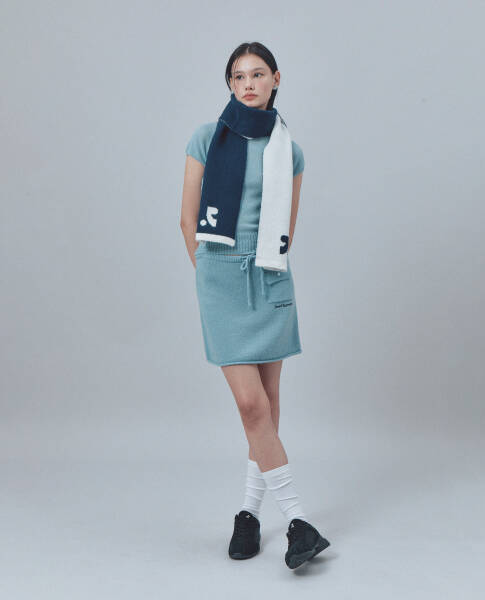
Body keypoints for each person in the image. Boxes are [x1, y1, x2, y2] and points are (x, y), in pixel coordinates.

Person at [180, 41, 330, 570]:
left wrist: (264, 267)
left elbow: (287, 229)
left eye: (258, 74)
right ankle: (298, 519)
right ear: (230, 83)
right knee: (251, 406)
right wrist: (211, 279)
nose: (248, 83)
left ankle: (248, 514)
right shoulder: (206, 138)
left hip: (270, 277)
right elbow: (187, 219)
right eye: (239, 75)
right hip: (221, 279)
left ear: (275, 80)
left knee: (267, 403)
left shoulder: (291, 151)